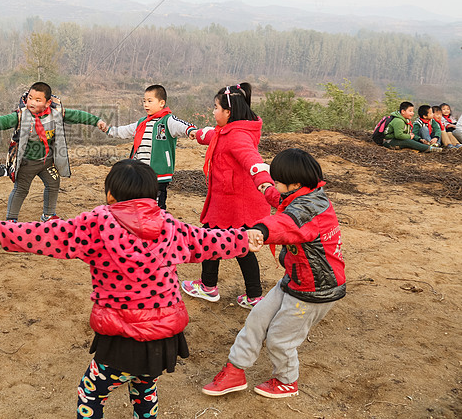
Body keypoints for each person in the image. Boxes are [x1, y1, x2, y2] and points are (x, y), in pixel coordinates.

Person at [0, 159, 263, 419]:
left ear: (110, 195)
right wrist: (242, 239)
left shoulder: (97, 223)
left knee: (91, 393)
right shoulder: (170, 226)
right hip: (162, 337)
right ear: (153, 195)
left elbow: (52, 235)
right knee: (144, 389)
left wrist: (4, 235)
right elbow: (207, 240)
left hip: (122, 337)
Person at [201, 148, 345, 399]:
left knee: (280, 337)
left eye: (278, 180)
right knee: (257, 318)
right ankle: (235, 371)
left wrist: (258, 231)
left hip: (314, 290)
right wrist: (259, 175)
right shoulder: (300, 195)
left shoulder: (309, 210)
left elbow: (284, 223)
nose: (275, 185)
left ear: (295, 183)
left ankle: (287, 381)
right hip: (295, 278)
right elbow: (274, 195)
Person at [181, 83, 280, 309]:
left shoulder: (238, 137)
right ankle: (252, 296)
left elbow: (252, 161)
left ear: (228, 113)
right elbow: (212, 136)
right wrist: (194, 133)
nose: (213, 111)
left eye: (216, 108)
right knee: (239, 246)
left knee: (218, 240)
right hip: (229, 200)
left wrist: (266, 185)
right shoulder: (228, 131)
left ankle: (209, 287)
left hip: (235, 203)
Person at [0, 81, 108, 221]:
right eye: (30, 98)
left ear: (47, 103)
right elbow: (2, 121)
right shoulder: (21, 116)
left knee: (53, 184)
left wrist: (97, 121)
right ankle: (11, 219)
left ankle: (48, 215)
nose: (32, 102)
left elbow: (77, 115)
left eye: (37, 100)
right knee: (21, 190)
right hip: (27, 163)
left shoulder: (57, 113)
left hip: (47, 162)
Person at [106, 84, 198, 210]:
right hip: (139, 174)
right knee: (138, 202)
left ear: (161, 103)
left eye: (150, 101)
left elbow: (181, 125)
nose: (146, 104)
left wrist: (190, 130)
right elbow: (125, 131)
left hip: (158, 174)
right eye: (144, 101)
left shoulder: (167, 121)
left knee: (157, 206)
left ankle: (158, 226)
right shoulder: (142, 123)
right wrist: (109, 130)